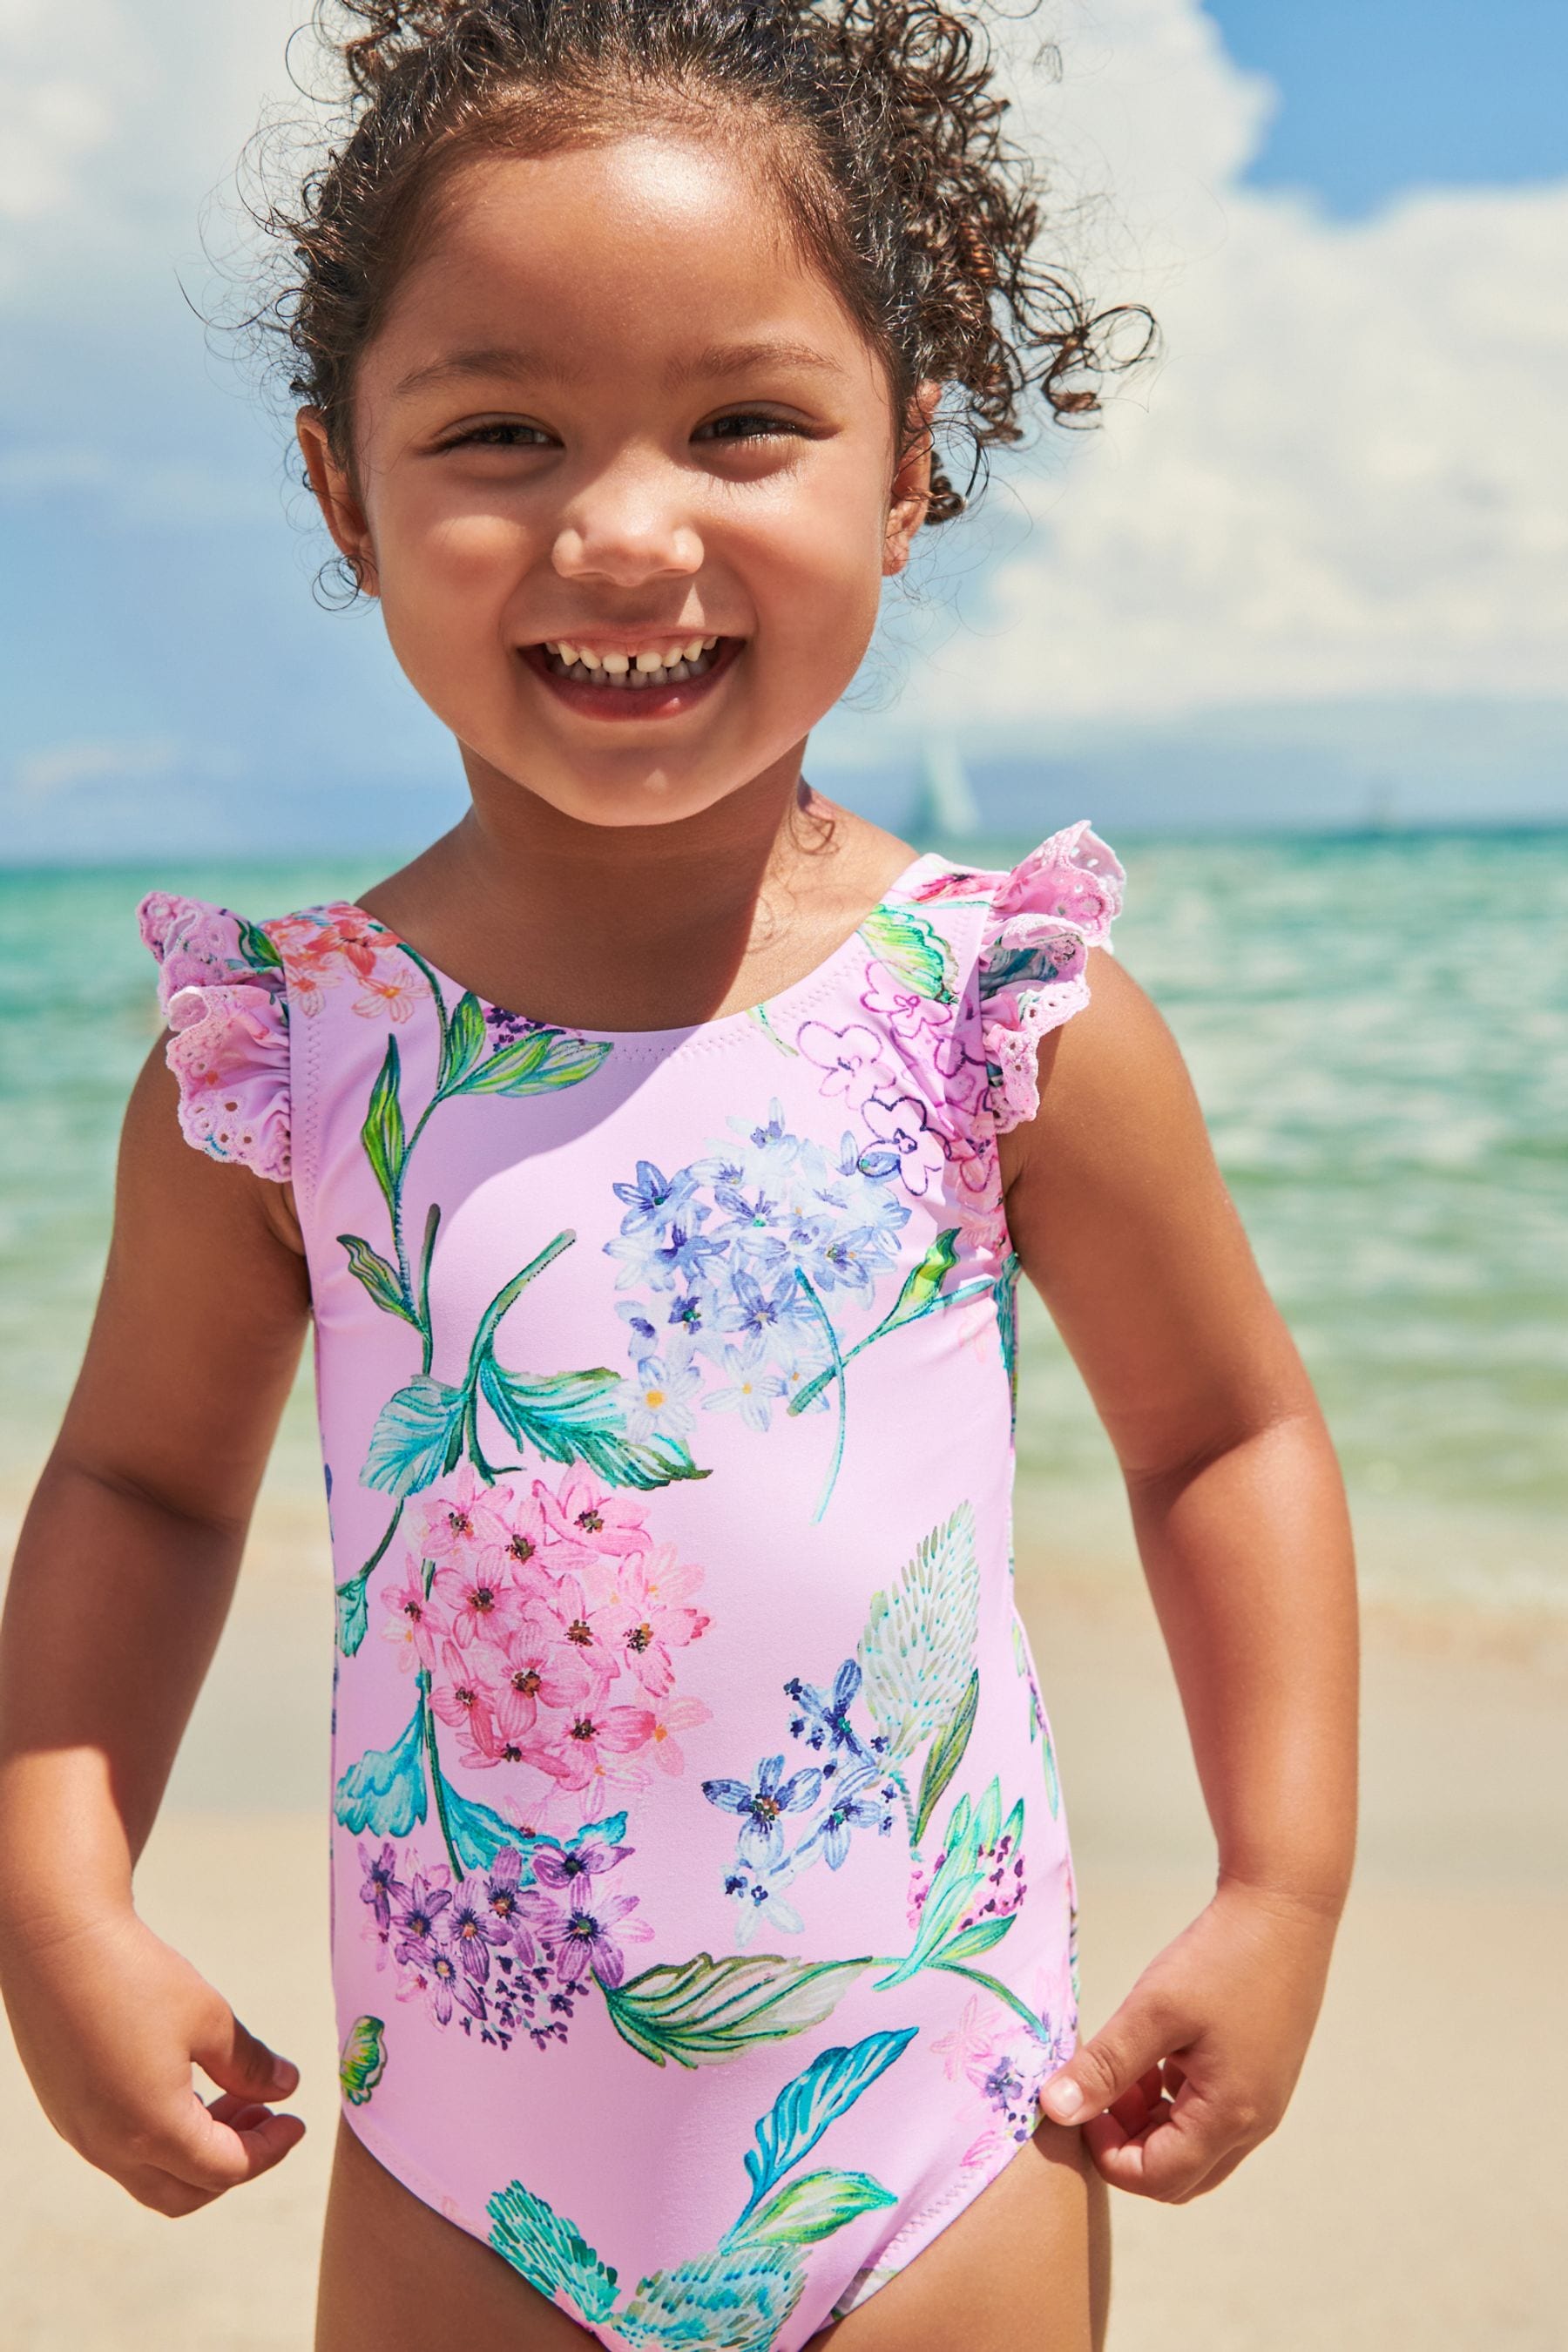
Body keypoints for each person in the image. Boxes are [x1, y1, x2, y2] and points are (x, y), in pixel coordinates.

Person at [0, 3, 1358, 2347]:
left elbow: (1225, 1433)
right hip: (462, 2171)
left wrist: (1287, 1879)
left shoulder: (994, 1017)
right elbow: (140, 1486)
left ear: (910, 467)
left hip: (944, 2142)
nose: (626, 527)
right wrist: (57, 1890)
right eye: (502, 433)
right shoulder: (291, 1062)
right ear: (343, 493)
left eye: (746, 424)